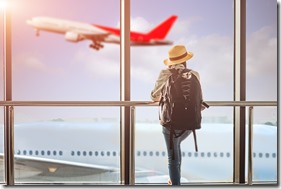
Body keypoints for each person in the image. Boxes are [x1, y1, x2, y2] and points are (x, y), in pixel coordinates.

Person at [150, 45, 205, 185]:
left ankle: (175, 183)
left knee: (172, 157)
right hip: (190, 124)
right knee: (177, 146)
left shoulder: (165, 74)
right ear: (186, 59)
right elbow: (200, 101)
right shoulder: (194, 74)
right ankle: (175, 179)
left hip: (171, 124)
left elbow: (154, 97)